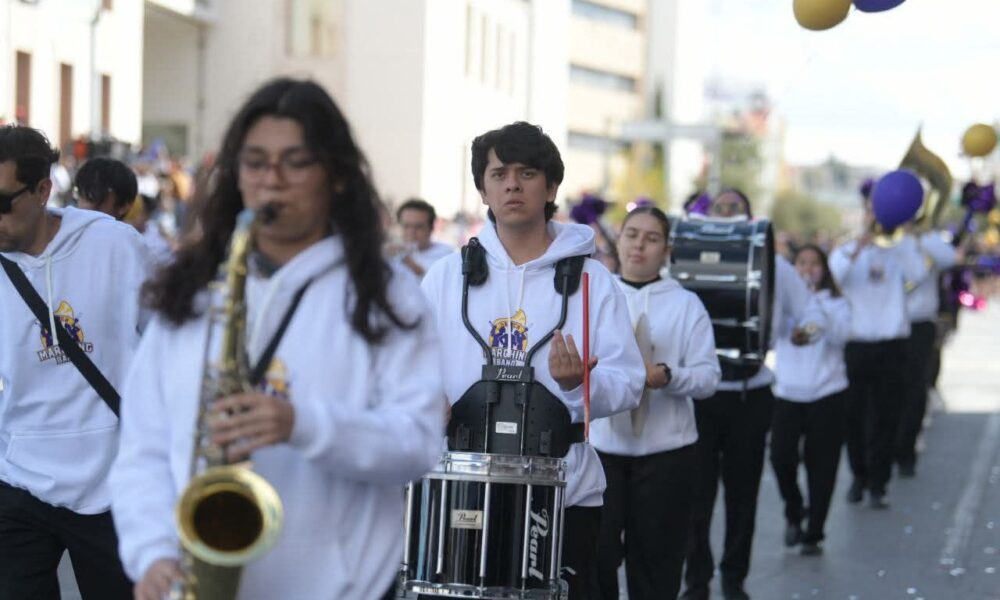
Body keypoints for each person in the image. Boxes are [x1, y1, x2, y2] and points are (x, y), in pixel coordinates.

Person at [109, 78, 444, 600]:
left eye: (296, 162)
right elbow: (143, 448)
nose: (273, 181)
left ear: (334, 175)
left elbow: (418, 443)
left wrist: (302, 424)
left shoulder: (387, 295)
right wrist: (150, 552)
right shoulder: (192, 291)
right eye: (256, 162)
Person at [421, 121, 645, 600]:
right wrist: (423, 400)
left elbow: (629, 382)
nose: (511, 185)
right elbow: (407, 368)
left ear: (551, 187)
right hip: (462, 484)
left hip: (566, 492)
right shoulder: (445, 277)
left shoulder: (593, 281)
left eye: (526, 173)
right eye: (498, 174)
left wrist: (577, 385)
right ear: (483, 189)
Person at [0, 125, 150, 599]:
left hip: (114, 487)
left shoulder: (115, 246)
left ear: (43, 189)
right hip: (18, 481)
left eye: (3, 202)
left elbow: (172, 345)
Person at [682, 188, 814, 600]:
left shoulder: (774, 264)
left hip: (750, 393)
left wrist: (804, 331)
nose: (726, 214)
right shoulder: (686, 261)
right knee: (697, 495)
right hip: (700, 395)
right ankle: (697, 581)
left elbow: (810, 310)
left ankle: (734, 577)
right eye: (719, 209)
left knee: (743, 493)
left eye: (734, 208)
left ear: (751, 218)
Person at [590, 207, 720, 600]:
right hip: (602, 453)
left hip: (666, 455)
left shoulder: (686, 305)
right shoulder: (597, 295)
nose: (639, 245)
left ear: (666, 249)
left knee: (657, 566)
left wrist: (668, 375)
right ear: (619, 240)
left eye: (651, 238)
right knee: (596, 560)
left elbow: (709, 377)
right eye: (632, 235)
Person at [829, 197, 928, 509]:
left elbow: (919, 275)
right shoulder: (849, 250)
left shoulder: (901, 249)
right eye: (873, 212)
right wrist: (859, 245)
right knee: (852, 416)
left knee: (886, 416)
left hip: (892, 345)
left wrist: (898, 241)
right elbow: (834, 276)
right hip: (857, 344)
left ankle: (878, 482)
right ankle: (859, 475)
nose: (877, 218)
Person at [769, 244, 851, 556]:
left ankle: (814, 531)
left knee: (822, 465)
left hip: (826, 393)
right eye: (801, 263)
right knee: (780, 457)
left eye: (814, 263)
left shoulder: (837, 302)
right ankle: (794, 507)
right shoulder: (784, 303)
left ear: (824, 269)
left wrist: (815, 306)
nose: (807, 269)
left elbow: (842, 335)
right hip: (788, 393)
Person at [895, 229, 958, 477]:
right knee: (887, 391)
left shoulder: (926, 239)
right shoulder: (879, 240)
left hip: (919, 325)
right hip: (888, 326)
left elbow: (950, 258)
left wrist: (919, 238)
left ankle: (906, 450)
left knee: (915, 390)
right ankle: (885, 448)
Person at [392, 197, 453, 278]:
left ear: (431, 228)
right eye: (406, 226)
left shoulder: (446, 255)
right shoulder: (390, 253)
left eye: (418, 227)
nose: (411, 232)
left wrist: (405, 260)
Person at [73, 157, 138, 221]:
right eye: (80, 191)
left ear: (123, 206)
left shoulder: (127, 231)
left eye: (95, 192)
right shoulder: (67, 226)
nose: (85, 204)